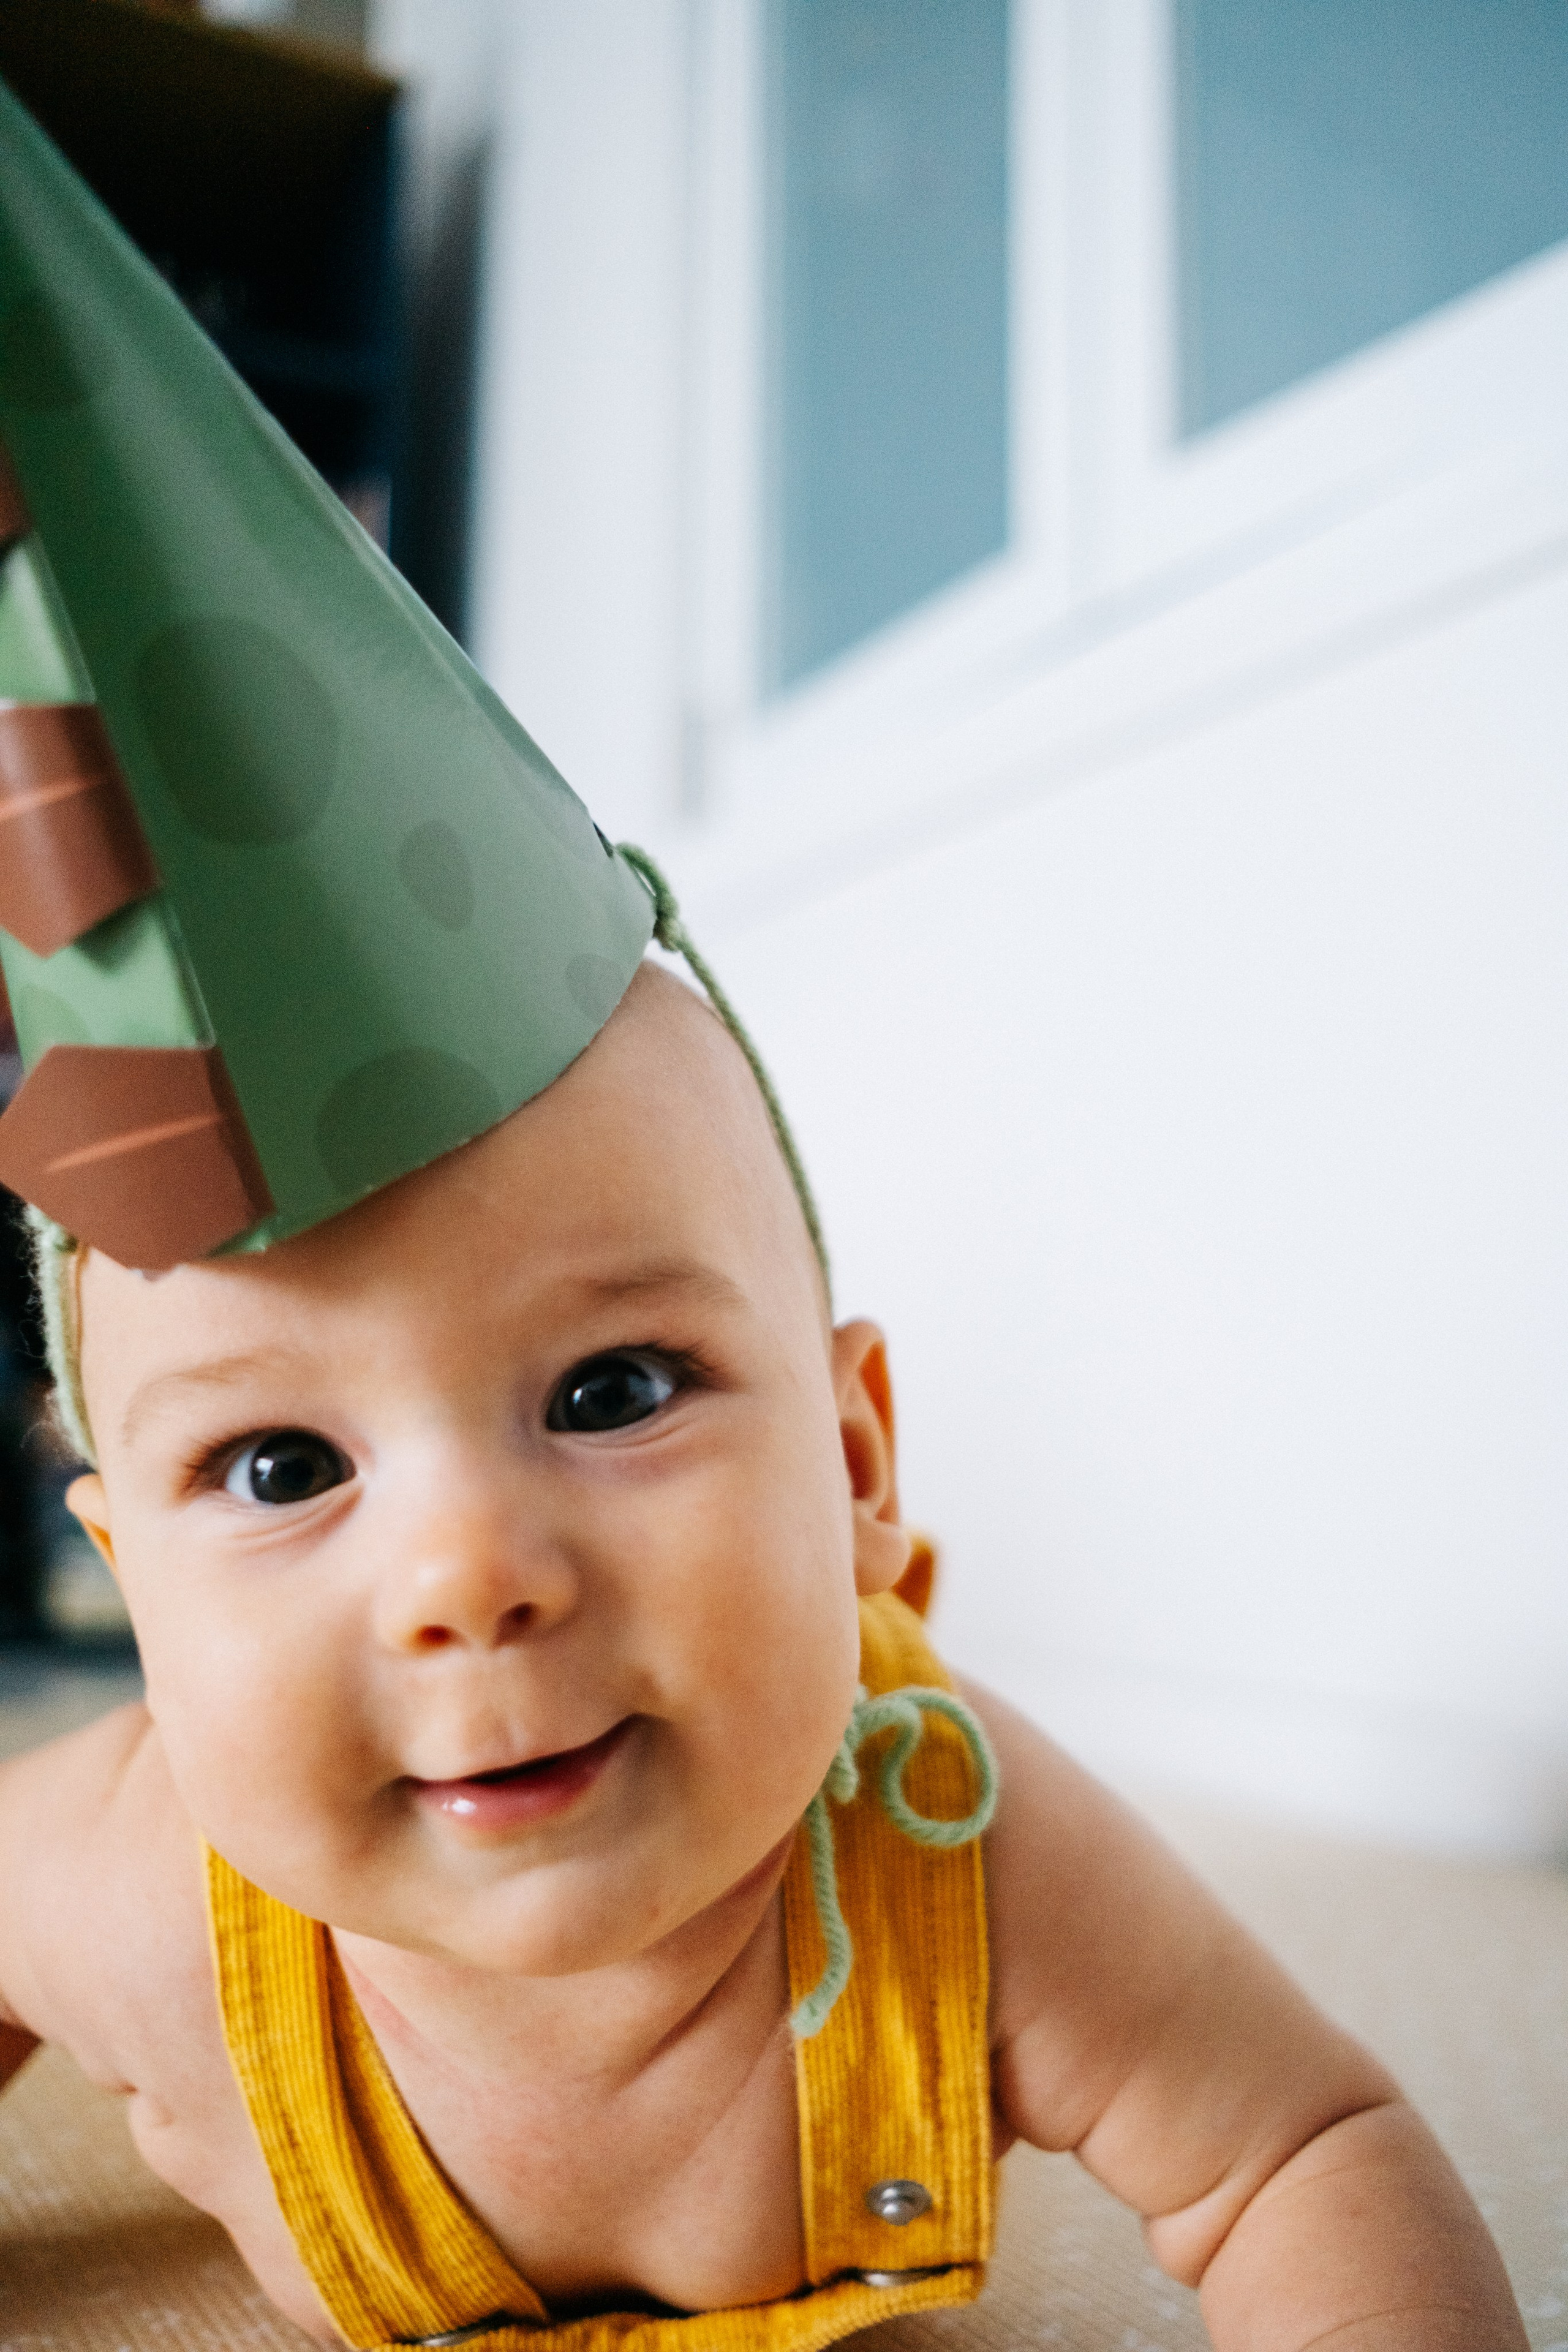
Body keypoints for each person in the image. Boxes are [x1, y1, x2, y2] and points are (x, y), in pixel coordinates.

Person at [0, 74, 1530, 2352]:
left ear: (853, 1465)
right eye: (279, 1464)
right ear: (127, 1583)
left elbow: (1304, 2152)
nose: (468, 1575)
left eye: (613, 1386)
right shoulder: (125, 1883)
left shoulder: (968, 1851)